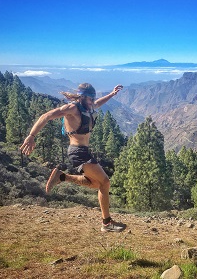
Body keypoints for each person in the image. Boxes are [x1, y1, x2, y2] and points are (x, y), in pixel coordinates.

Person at [20, 83, 126, 233]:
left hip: (82, 151)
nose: (92, 101)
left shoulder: (87, 107)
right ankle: (107, 223)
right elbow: (46, 116)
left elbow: (98, 104)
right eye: (90, 98)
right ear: (82, 97)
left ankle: (63, 177)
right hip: (77, 152)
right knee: (105, 182)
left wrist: (112, 94)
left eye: (93, 99)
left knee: (96, 183)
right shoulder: (72, 108)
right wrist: (31, 136)